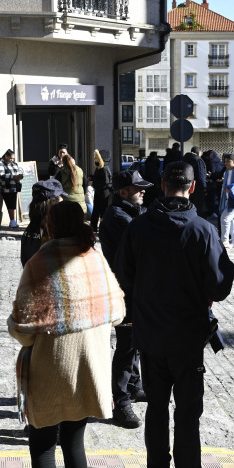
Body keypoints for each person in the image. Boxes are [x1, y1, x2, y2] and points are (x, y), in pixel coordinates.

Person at [115, 161, 234, 468]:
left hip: (151, 335)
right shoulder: (202, 230)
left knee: (156, 407)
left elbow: (124, 276)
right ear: (193, 187)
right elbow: (220, 286)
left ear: (162, 186)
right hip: (187, 337)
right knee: (187, 411)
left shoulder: (138, 229)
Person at [8, 200, 126, 468]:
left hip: (49, 367)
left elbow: (23, 326)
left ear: (51, 226)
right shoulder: (96, 258)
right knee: (74, 441)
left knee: (43, 445)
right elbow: (117, 312)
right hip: (89, 366)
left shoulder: (38, 261)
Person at [99, 170, 153, 430]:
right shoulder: (119, 217)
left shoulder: (131, 213)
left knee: (135, 341)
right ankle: (120, 401)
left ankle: (133, 385)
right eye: (137, 188)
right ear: (123, 192)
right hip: (125, 292)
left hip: (135, 290)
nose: (143, 191)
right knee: (125, 345)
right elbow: (142, 249)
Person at [20, 180, 64, 266]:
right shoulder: (50, 229)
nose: (63, 202)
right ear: (52, 202)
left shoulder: (33, 226)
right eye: (60, 198)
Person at [0, 149, 24, 228]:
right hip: (6, 188)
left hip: (14, 188)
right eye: (11, 158)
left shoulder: (14, 163)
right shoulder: (1, 164)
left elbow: (19, 170)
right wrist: (13, 177)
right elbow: (1, 176)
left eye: (13, 158)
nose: (12, 160)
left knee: (13, 205)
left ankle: (13, 221)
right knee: (10, 205)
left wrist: (20, 175)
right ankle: (12, 221)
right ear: (6, 156)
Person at [89, 149, 112, 232]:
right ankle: (94, 227)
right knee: (96, 210)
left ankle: (103, 228)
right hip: (99, 192)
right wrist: (92, 178)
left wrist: (93, 182)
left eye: (96, 158)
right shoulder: (100, 168)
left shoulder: (104, 168)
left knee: (103, 211)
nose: (95, 160)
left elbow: (105, 182)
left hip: (103, 193)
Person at [182, 146, 208, 216]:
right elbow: (200, 176)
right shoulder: (198, 160)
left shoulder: (184, 158)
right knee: (198, 206)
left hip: (185, 187)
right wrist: (204, 187)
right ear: (198, 153)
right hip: (197, 188)